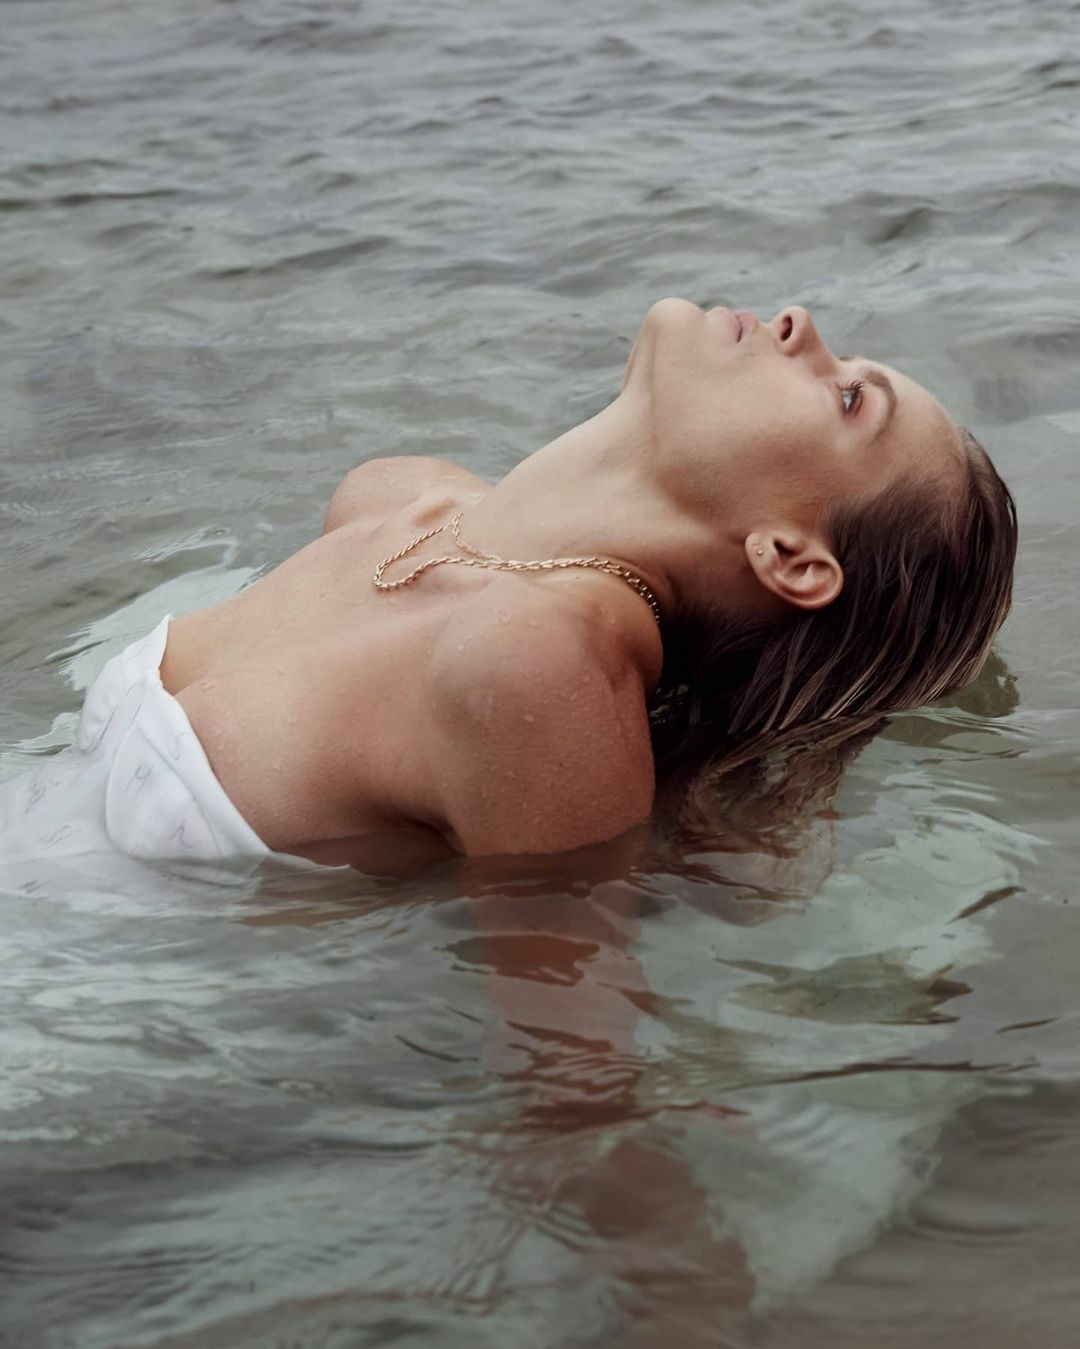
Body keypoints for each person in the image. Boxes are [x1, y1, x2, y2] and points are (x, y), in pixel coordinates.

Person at [1, 302, 1017, 874]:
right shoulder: (400, 500)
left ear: (791, 557)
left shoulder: (543, 665)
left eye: (849, 397)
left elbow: (575, 1086)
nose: (801, 322)